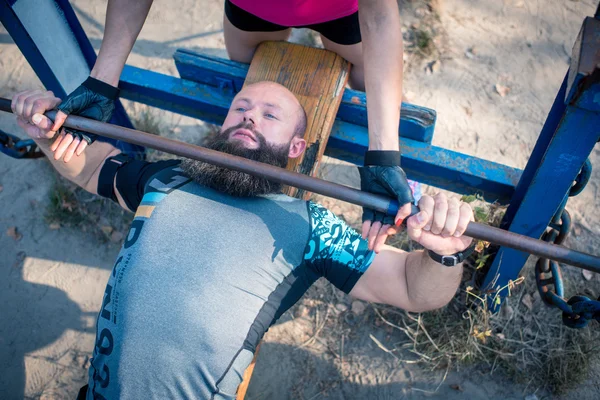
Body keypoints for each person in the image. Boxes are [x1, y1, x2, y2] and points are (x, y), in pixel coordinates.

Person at [12, 82, 474, 399]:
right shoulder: (169, 177)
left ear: (296, 149)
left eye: (270, 116)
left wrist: (442, 253)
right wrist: (51, 133)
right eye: (241, 109)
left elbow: (414, 290)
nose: (249, 118)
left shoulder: (311, 224)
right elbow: (91, 167)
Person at [46, 0, 413, 253]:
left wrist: (383, 151)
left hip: (342, 11)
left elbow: (380, 16)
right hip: (253, 9)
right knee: (247, 70)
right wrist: (102, 79)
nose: (251, 117)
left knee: (368, 81)